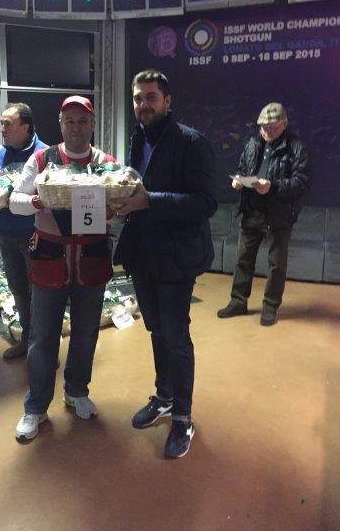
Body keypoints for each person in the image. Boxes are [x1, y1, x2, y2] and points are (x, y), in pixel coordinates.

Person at [114, 70, 217, 459]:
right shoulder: (138, 138)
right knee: (157, 330)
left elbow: (205, 203)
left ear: (167, 101)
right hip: (142, 254)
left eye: (151, 97)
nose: (143, 104)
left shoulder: (192, 142)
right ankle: (165, 396)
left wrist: (150, 200)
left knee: (175, 335)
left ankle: (183, 417)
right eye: (138, 98)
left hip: (176, 257)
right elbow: (136, 191)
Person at [9, 95, 116, 441]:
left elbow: (123, 202)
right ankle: (36, 407)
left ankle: (77, 392)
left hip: (91, 261)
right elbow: (14, 201)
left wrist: (115, 208)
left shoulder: (106, 163)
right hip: (50, 259)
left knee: (86, 334)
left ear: (92, 124)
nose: (76, 127)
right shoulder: (42, 160)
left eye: (82, 120)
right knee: (42, 339)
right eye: (69, 121)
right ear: (60, 124)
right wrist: (39, 200)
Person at [217, 102, 311, 326]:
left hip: (278, 216)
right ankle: (238, 301)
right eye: (263, 128)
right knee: (243, 260)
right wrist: (237, 181)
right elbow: (242, 168)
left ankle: (270, 307)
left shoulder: (297, 148)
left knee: (276, 265)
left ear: (284, 124)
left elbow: (302, 183)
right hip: (251, 211)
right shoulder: (252, 143)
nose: (266, 132)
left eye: (272, 128)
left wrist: (273, 186)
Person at [0, 103, 47, 359]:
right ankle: (26, 340)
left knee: (41, 294)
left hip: (36, 235)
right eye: (1, 123)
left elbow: (49, 197)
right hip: (6, 235)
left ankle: (44, 348)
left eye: (8, 124)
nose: (2, 129)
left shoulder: (44, 155)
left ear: (25, 127)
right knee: (19, 291)